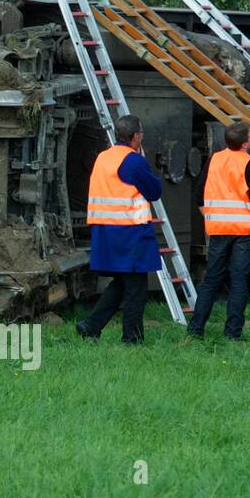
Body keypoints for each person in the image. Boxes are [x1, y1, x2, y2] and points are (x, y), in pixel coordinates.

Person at [76, 114, 163, 344]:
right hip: (130, 231)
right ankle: (131, 339)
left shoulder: (104, 157)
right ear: (135, 136)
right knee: (136, 289)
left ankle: (91, 325)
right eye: (141, 134)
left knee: (122, 283)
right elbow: (154, 191)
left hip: (106, 231)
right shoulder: (133, 160)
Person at [188, 122, 250, 341]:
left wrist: (210, 215)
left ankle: (195, 330)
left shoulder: (214, 159)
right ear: (245, 142)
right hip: (245, 230)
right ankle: (232, 333)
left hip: (218, 228)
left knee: (211, 279)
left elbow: (199, 195)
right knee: (239, 280)